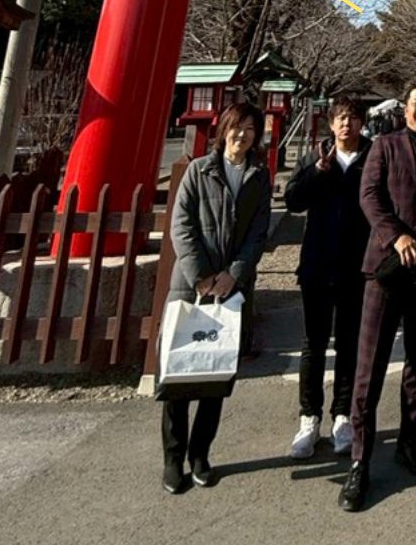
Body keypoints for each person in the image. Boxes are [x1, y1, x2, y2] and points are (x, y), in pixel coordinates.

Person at [339, 77, 416, 512]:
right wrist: (395, 237)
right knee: (369, 366)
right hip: (386, 270)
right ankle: (360, 458)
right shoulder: (384, 145)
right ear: (405, 108)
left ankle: (409, 441)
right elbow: (369, 196)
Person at [159, 99, 272, 494]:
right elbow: (181, 226)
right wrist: (203, 277)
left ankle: (200, 455)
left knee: (216, 374)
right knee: (178, 376)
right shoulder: (197, 171)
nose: (242, 135)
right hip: (191, 287)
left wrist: (234, 275)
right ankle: (173, 459)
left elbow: (260, 231)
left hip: (231, 291)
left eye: (250, 129)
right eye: (236, 127)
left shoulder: (259, 175)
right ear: (223, 129)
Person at [284, 94, 372, 460]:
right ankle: (309, 417)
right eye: (340, 119)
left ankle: (342, 416)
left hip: (357, 268)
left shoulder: (372, 158)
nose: (346, 124)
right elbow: (292, 200)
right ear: (331, 124)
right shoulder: (315, 158)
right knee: (313, 344)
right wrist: (315, 172)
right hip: (317, 266)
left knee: (349, 344)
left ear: (361, 123)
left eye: (353, 118)